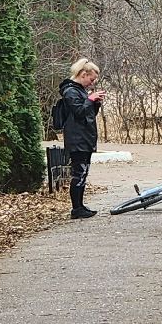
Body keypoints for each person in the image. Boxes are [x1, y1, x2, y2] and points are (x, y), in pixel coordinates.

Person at [57, 59, 105, 219]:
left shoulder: (80, 91)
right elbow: (78, 111)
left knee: (83, 173)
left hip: (84, 137)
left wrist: (95, 103)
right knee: (79, 173)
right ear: (83, 74)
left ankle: (80, 205)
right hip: (77, 139)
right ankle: (76, 208)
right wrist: (89, 100)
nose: (91, 84)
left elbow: (87, 114)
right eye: (91, 79)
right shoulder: (70, 91)